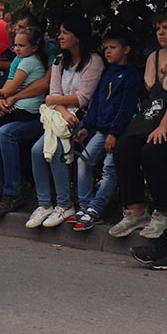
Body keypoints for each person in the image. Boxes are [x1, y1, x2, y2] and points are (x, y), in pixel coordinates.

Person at [26, 17, 104, 228]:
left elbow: (82, 98)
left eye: (65, 33)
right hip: (58, 115)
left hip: (83, 117)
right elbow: (53, 94)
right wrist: (59, 106)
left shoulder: (93, 62)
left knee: (59, 148)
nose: (59, 37)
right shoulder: (59, 61)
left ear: (78, 38)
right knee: (37, 151)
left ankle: (65, 204)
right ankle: (44, 204)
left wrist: (55, 101)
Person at [108, 10, 167, 242]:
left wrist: (164, 127)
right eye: (158, 28)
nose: (161, 32)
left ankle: (164, 212)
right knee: (124, 146)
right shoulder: (153, 58)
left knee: (153, 151)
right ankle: (136, 210)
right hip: (155, 118)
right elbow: (153, 96)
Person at [0, 26, 48, 216]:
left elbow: (10, 88)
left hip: (31, 115)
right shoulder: (18, 60)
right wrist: (0, 102)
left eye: (21, 45)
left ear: (34, 47)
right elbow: (8, 86)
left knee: (4, 132)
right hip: (14, 109)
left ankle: (12, 193)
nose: (16, 49)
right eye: (15, 45)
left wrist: (2, 98)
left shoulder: (29, 62)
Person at [73, 28, 141, 231]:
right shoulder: (107, 73)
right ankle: (84, 205)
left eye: (113, 48)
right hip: (102, 130)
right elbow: (97, 103)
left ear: (126, 50)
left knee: (110, 169)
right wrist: (87, 126)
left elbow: (126, 107)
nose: (108, 51)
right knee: (83, 161)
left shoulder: (130, 75)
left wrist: (114, 133)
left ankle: (96, 208)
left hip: (119, 132)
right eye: (106, 48)